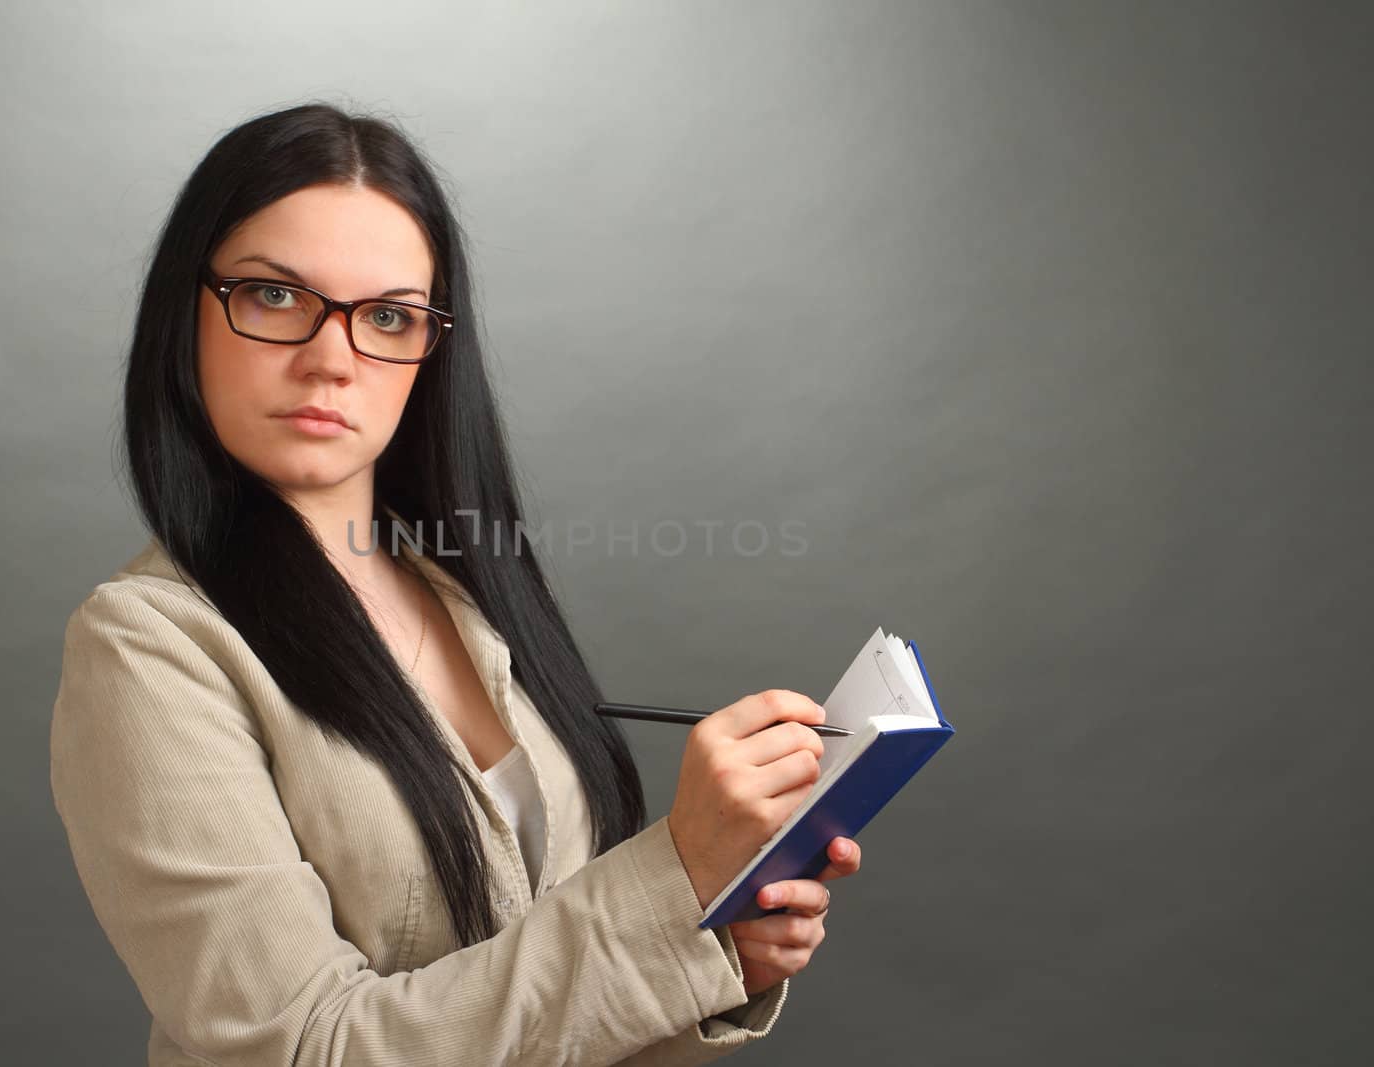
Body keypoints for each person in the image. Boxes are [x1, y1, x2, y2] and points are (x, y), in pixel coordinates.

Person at [49, 101, 862, 1067]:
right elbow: (304, 1048)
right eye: (274, 296)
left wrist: (716, 947)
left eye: (388, 316)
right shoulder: (148, 645)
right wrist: (670, 880)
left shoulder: (461, 586)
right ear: (188, 310)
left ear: (430, 351)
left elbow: (543, 1018)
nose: (332, 358)